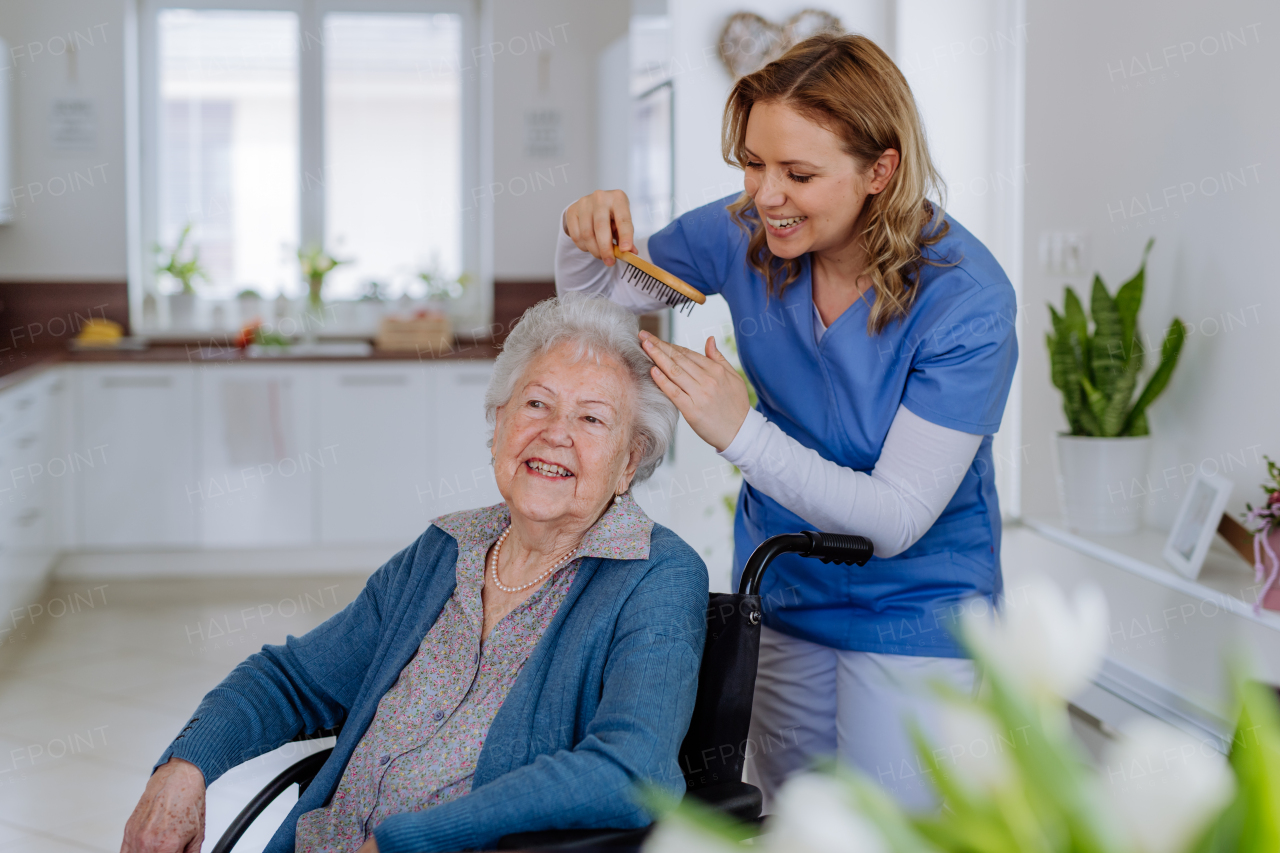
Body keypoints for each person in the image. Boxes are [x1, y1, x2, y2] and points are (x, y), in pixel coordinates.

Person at [556, 33, 1018, 811]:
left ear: (881, 170)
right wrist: (582, 232)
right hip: (786, 589)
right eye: (754, 163)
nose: (766, 194)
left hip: (918, 610)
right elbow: (602, 298)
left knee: (898, 829)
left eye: (799, 173)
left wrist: (739, 431)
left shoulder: (967, 298)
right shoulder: (745, 231)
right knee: (798, 818)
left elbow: (897, 518)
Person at [120, 295, 708, 853]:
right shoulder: (445, 551)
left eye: (592, 419)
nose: (555, 432)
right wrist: (184, 766)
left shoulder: (654, 575)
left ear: (630, 461)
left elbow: (632, 771)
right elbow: (292, 679)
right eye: (536, 403)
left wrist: (413, 840)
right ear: (498, 422)